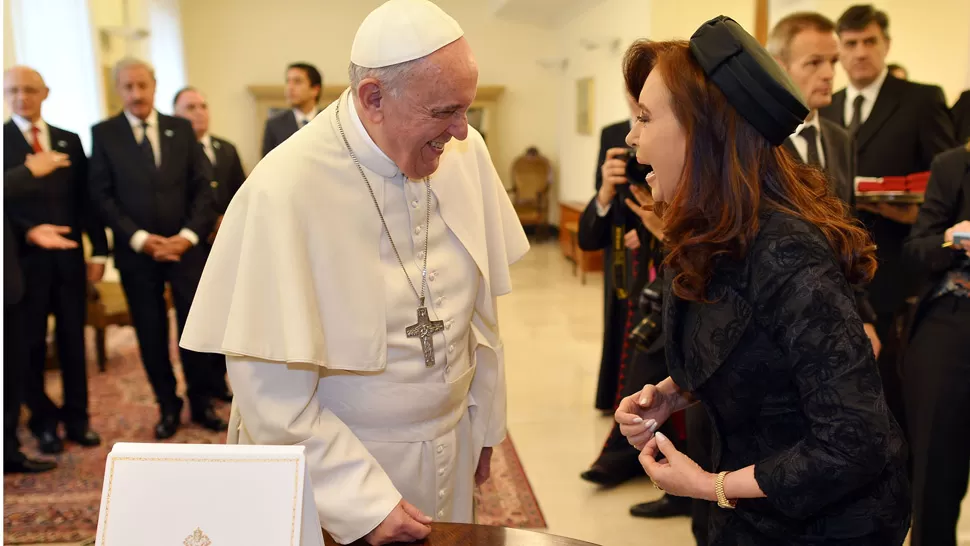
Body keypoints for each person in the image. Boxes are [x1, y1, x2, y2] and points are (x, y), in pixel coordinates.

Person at [179, 1, 529, 544]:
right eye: (443, 112)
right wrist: (360, 501)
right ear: (373, 98)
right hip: (342, 469)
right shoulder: (285, 187)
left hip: (449, 441)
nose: (462, 132)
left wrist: (486, 422)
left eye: (467, 110)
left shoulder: (467, 154)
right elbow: (270, 397)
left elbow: (482, 312)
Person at [616, 17, 910, 545]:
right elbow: (751, 350)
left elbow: (854, 441)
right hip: (749, 509)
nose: (632, 136)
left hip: (825, 526)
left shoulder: (788, 252)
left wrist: (710, 485)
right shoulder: (709, 233)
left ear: (701, 132)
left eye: (644, 116)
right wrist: (672, 394)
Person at [820, 5, 956, 434]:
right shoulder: (826, 105)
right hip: (837, 268)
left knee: (896, 397)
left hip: (897, 268)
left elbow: (947, 180)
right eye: (851, 44)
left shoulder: (920, 99)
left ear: (886, 45)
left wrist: (911, 206)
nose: (860, 53)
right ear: (840, 50)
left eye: (870, 42)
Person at [88, 58, 226, 440]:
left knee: (194, 329)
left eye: (142, 85)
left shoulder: (180, 130)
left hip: (185, 251)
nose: (136, 93)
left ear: (154, 85)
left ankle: (201, 402)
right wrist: (140, 240)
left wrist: (187, 236)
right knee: (150, 333)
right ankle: (168, 405)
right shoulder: (104, 134)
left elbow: (204, 188)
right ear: (119, 90)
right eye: (128, 86)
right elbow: (101, 196)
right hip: (137, 255)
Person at [3, 66, 106, 454]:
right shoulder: (2, 141)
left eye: (29, 90)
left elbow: (86, 201)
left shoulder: (68, 139)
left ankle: (78, 419)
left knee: (71, 341)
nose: (22, 97)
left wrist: (98, 249)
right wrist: (29, 228)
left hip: (69, 261)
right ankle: (43, 422)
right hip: (22, 263)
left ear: (44, 93)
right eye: (13, 90)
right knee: (29, 347)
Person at [767, 12, 881, 354]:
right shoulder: (758, 141)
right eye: (814, 63)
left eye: (832, 61)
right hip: (776, 324)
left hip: (836, 314)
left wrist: (862, 314)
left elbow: (848, 233)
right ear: (777, 66)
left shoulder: (840, 139)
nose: (830, 74)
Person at [901, 141, 970, 546]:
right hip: (952, 322)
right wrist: (952, 238)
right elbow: (918, 248)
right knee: (934, 475)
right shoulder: (953, 165)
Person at [3, 121, 77, 473]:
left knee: (12, 370)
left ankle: (9, 452)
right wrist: (26, 172)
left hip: (11, 276)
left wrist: (27, 231)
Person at [172, 86, 246, 404]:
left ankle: (220, 379)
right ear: (175, 114)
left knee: (226, 316)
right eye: (190, 107)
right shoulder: (176, 152)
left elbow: (243, 192)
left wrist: (226, 222)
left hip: (225, 245)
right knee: (195, 318)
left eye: (203, 105)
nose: (199, 112)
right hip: (192, 249)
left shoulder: (225, 148)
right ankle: (198, 389)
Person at [261, 62, 323, 157]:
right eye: (288, 81)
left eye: (297, 82)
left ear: (315, 90)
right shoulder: (274, 125)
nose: (290, 87)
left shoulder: (331, 122)